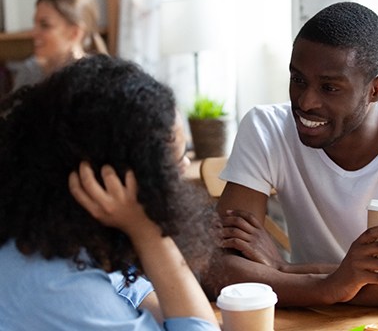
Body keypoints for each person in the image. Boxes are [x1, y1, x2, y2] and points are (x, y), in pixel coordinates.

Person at [204, 2, 378, 312]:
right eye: (298, 80)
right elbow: (217, 270)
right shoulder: (266, 127)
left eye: (329, 88)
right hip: (312, 315)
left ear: (377, 88)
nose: (306, 102)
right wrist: (331, 286)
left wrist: (287, 271)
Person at [0, 54, 220, 330]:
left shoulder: (39, 243)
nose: (183, 170)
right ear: (109, 184)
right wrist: (148, 233)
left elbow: (122, 283)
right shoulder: (67, 292)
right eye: (173, 163)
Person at [9, 0, 108, 92]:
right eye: (35, 24)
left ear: (75, 33)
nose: (33, 33)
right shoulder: (30, 71)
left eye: (45, 25)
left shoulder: (100, 78)